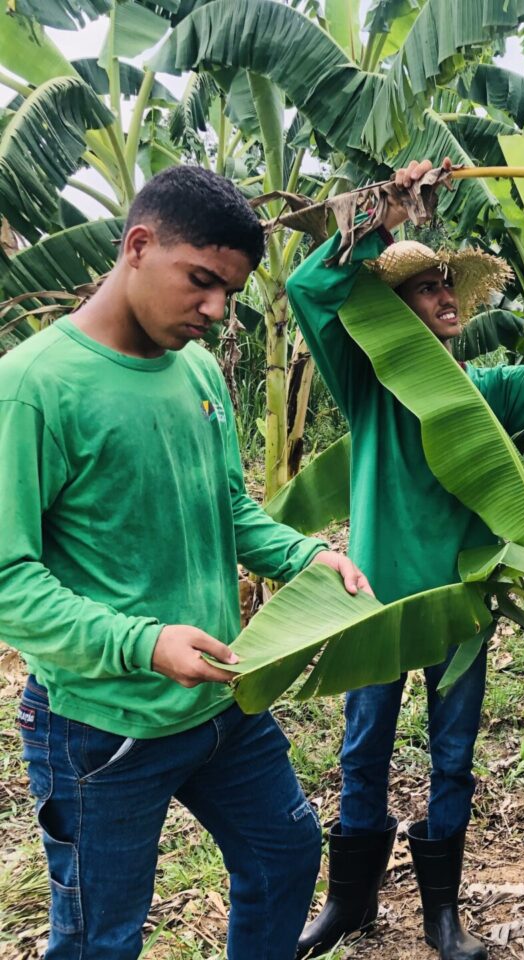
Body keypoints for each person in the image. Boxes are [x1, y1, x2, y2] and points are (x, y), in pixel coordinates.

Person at [287, 159, 524, 959]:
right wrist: (381, 215)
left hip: (461, 603)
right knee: (363, 752)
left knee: (453, 758)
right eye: (426, 287)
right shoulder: (368, 385)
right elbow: (308, 292)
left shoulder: (485, 397)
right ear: (393, 309)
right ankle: (349, 902)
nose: (446, 295)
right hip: (379, 602)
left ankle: (441, 913)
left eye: (449, 285)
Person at [0, 165, 372, 960]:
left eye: (229, 293)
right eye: (201, 281)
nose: (214, 310)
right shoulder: (35, 387)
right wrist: (145, 643)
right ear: (138, 245)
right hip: (101, 731)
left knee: (284, 855)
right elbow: (9, 580)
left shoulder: (199, 369)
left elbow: (226, 505)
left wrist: (309, 557)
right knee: (103, 937)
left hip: (222, 706)